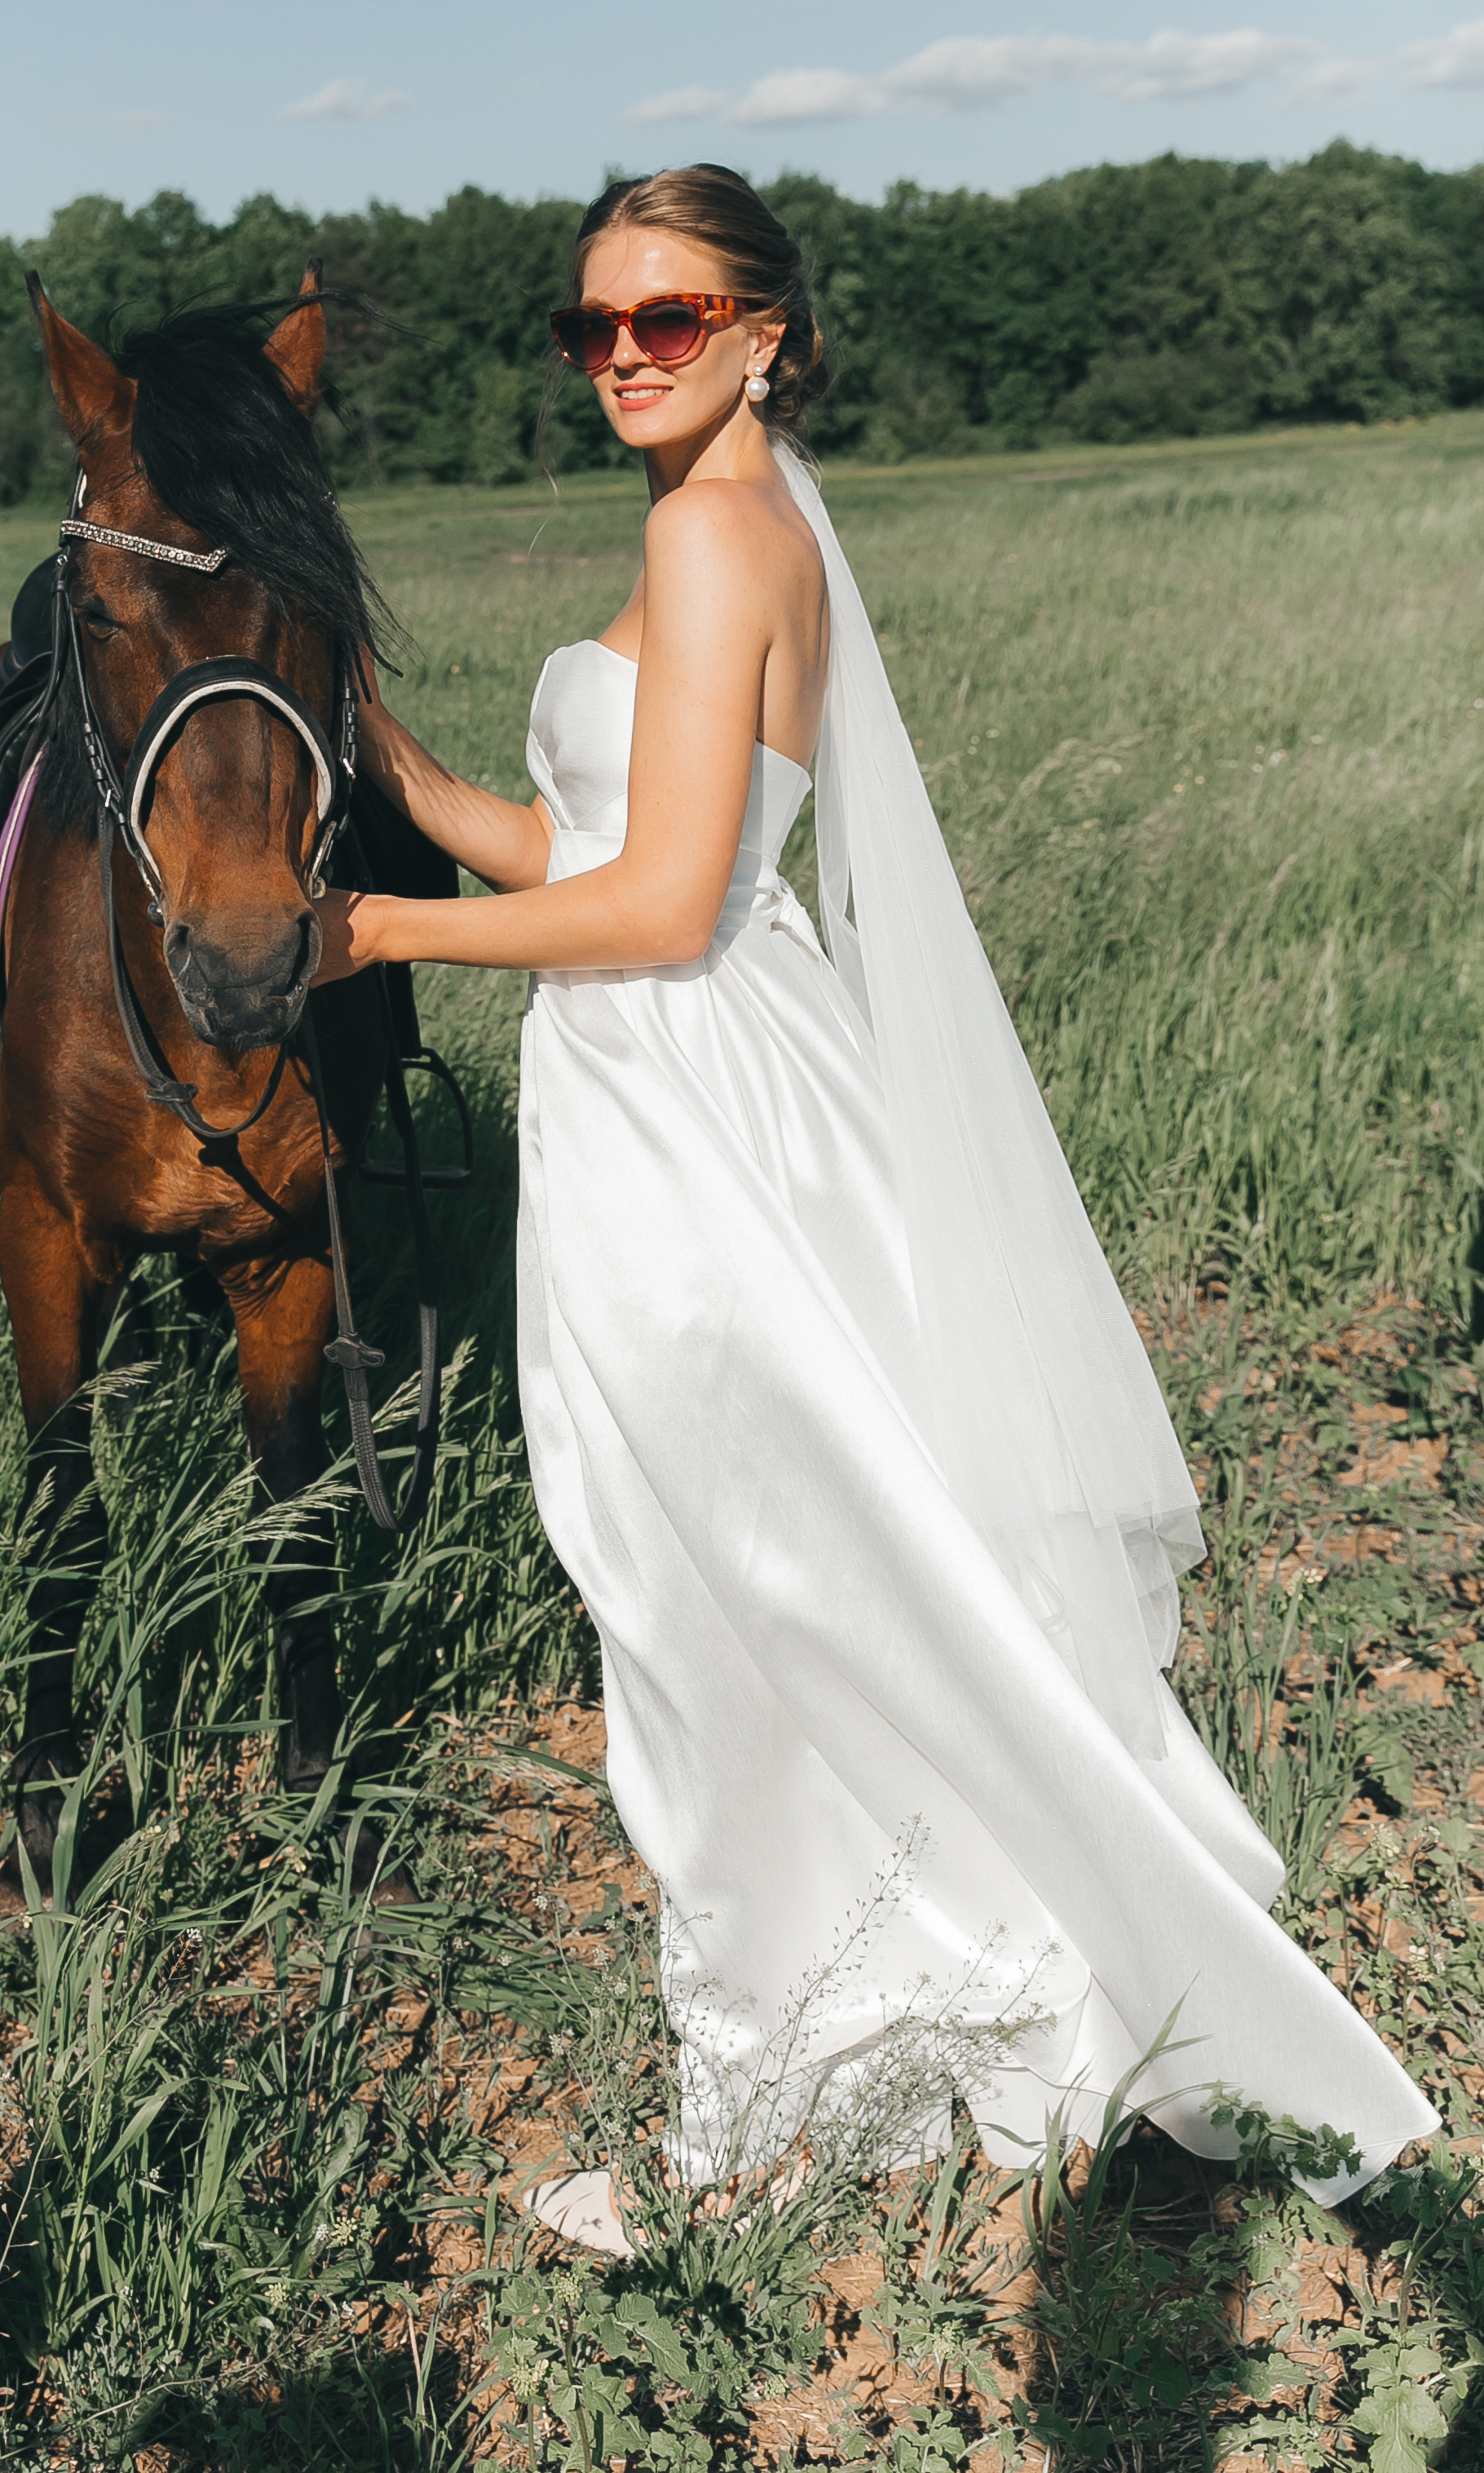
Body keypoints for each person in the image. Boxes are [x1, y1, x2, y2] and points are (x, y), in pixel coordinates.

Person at [312, 165, 1433, 2252]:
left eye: (665, 316)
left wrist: (377, 932)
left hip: (691, 1110)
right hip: (686, 1079)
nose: (621, 355)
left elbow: (649, 908)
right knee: (780, 1557)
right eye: (591, 326)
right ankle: (870, 1979)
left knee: (720, 1572)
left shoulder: (714, 532)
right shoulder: (735, 528)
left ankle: (769, 2095)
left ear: (763, 331)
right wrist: (385, 763)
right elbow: (578, 834)